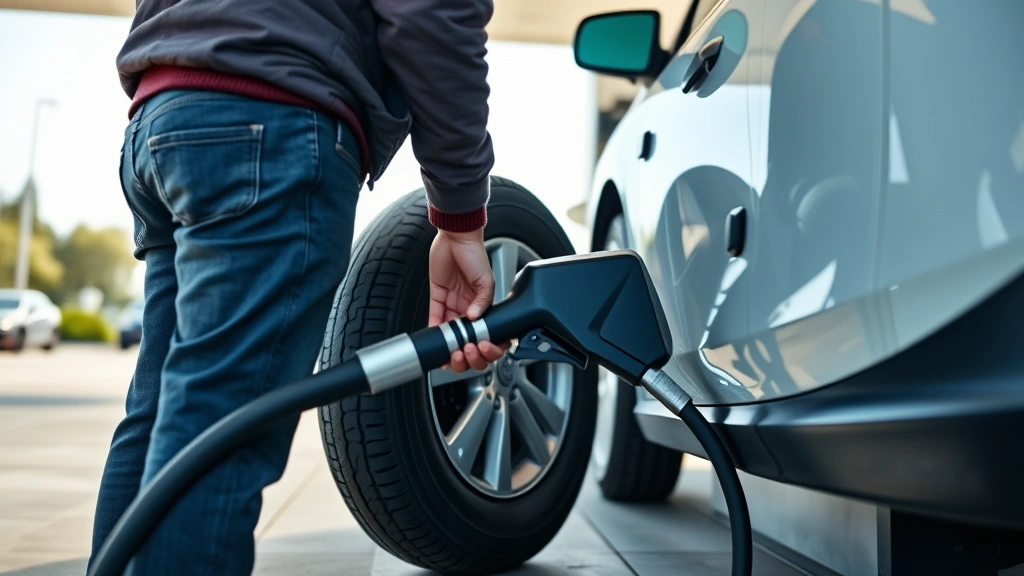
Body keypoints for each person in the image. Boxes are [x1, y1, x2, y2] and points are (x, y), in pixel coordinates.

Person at [88, 1, 506, 574]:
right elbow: (431, 13)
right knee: (215, 437)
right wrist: (459, 209)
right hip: (267, 122)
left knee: (164, 416)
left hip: (163, 115)